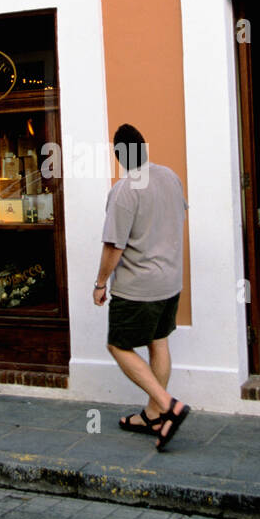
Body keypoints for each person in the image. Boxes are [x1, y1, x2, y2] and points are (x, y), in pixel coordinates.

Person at [94, 124, 190, 450]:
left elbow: (113, 247)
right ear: (145, 149)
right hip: (170, 281)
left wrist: (100, 282)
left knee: (118, 345)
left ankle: (167, 405)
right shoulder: (170, 177)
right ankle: (152, 416)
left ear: (120, 156)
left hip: (138, 287)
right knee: (158, 340)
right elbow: (178, 218)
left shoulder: (125, 190)